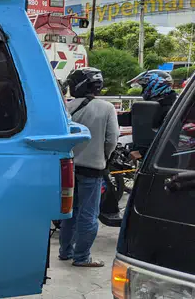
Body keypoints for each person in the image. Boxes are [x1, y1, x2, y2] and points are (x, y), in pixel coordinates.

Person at [59, 67, 118, 268]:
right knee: (88, 214)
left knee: (69, 211)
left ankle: (65, 251)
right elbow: (112, 139)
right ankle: (82, 257)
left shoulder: (65, 107)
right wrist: (104, 157)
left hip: (68, 167)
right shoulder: (106, 108)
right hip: (93, 169)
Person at [124, 70, 177, 160]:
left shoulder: (169, 109)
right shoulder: (158, 105)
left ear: (155, 85)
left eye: (144, 87)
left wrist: (142, 152)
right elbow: (136, 118)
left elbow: (170, 138)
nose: (142, 92)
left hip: (163, 161)